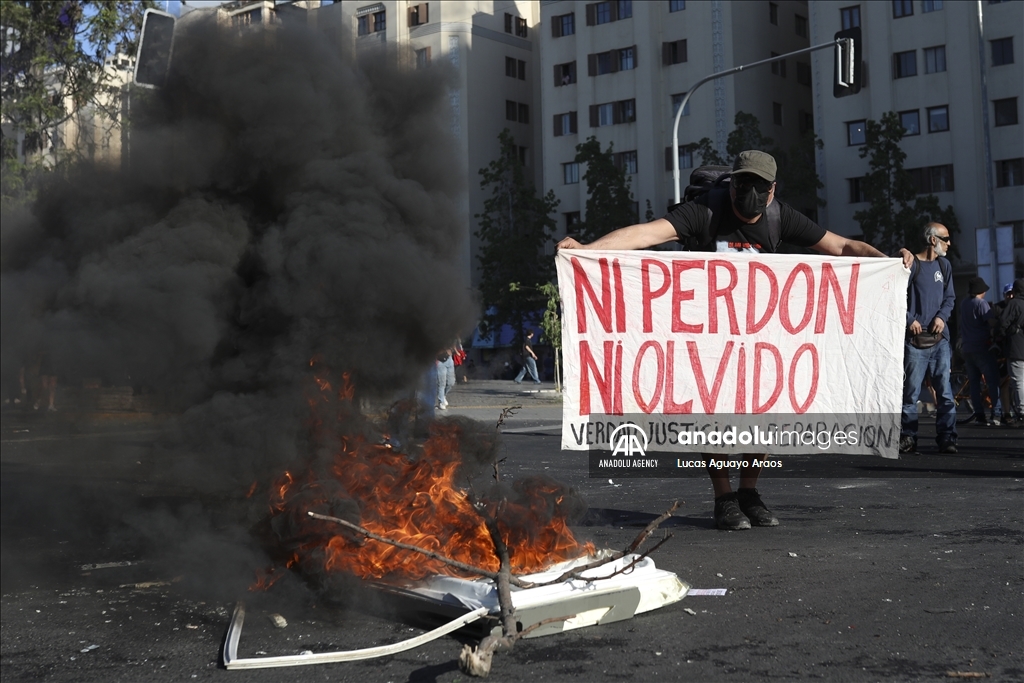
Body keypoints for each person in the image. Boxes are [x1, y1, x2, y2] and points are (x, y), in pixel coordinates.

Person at [557, 150, 904, 531]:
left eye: (757, 187)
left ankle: (749, 492)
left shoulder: (780, 216)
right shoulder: (705, 211)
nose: (748, 193)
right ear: (733, 183)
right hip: (709, 335)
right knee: (715, 412)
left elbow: (841, 247)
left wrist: (888, 262)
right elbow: (646, 234)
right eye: (742, 184)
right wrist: (589, 250)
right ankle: (724, 497)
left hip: (761, 335)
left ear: (771, 191)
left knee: (770, 409)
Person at [900, 223, 958, 455]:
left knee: (944, 392)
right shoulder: (911, 265)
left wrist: (942, 318)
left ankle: (947, 437)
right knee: (910, 393)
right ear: (933, 240)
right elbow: (894, 295)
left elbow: (950, 298)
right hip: (915, 342)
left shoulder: (944, 266)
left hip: (939, 340)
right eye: (946, 238)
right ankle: (909, 437)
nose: (949, 243)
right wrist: (909, 319)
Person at [958, 277, 1003, 426]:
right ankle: (996, 414)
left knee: (975, 383)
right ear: (981, 291)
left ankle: (979, 415)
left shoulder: (964, 303)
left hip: (967, 348)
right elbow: (991, 323)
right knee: (992, 381)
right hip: (982, 347)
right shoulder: (982, 304)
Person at [997, 278, 1024, 426]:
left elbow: (1003, 323)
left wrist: (1001, 335)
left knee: (1018, 382)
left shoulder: (1014, 304)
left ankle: (1022, 413)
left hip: (1016, 348)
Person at [436, 345, 456, 410]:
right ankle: (441, 402)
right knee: (442, 383)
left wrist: (452, 350)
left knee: (451, 382)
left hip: (449, 359)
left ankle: (443, 395)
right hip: (440, 361)